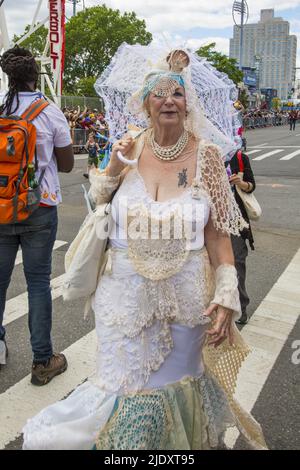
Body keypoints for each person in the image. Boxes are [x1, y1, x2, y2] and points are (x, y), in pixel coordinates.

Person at [22, 49, 267, 450]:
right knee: (119, 386)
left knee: (175, 390)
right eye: (160, 93)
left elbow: (220, 236)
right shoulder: (128, 145)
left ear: (188, 105)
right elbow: (100, 198)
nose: (169, 100)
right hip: (123, 299)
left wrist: (226, 297)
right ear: (145, 102)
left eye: (177, 93)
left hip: (185, 306)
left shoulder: (207, 156)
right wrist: (115, 166)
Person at [0, 47, 74, 383]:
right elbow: (69, 164)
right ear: (35, 75)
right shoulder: (50, 112)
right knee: (38, 284)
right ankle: (43, 361)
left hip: (1, 207)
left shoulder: (1, 107)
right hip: (39, 207)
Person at [226, 148, 256, 325]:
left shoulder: (240, 157)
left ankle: (241, 306)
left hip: (236, 221)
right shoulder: (204, 154)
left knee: (237, 262)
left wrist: (241, 183)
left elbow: (252, 185)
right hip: (211, 220)